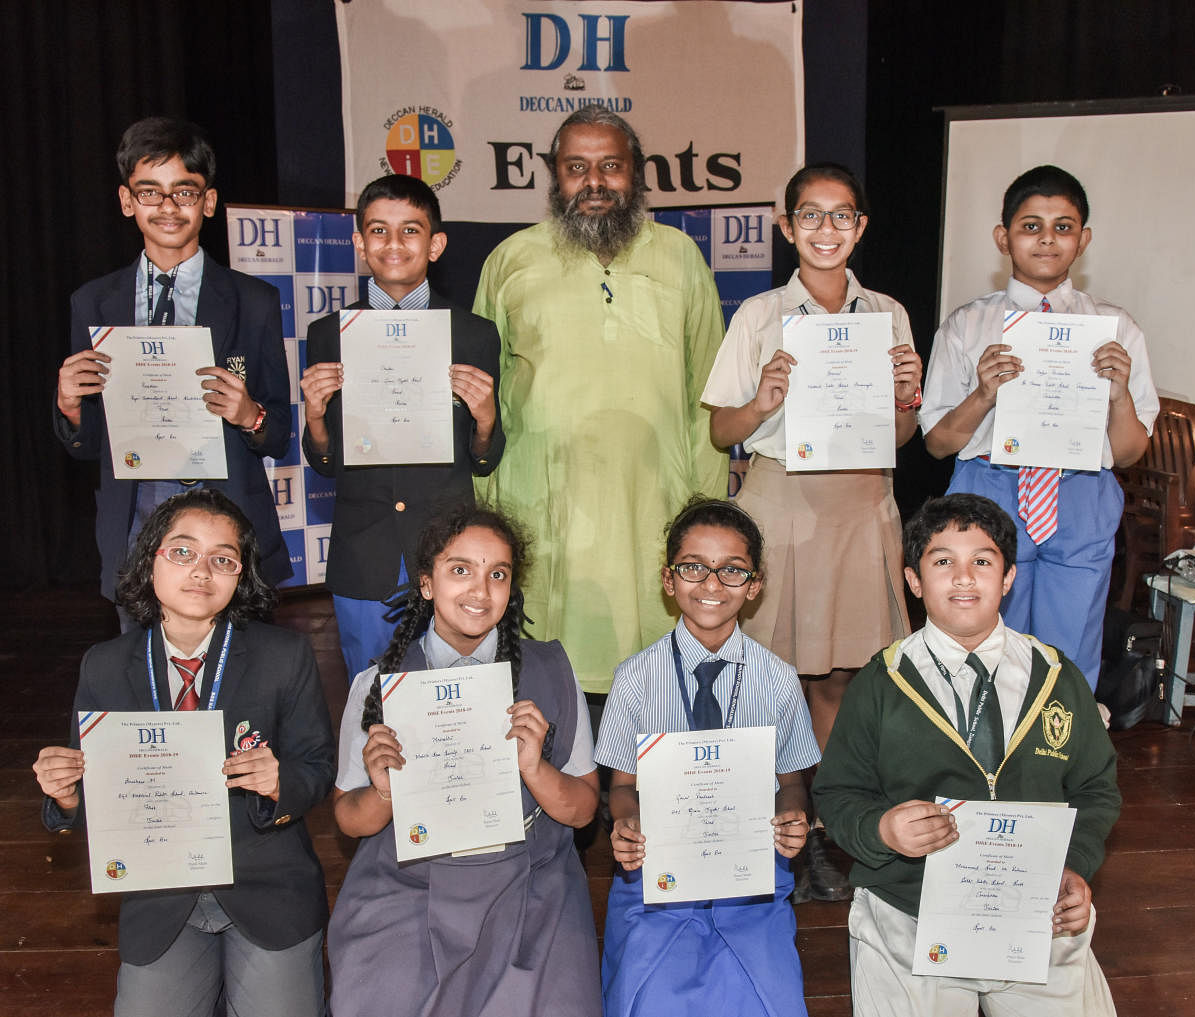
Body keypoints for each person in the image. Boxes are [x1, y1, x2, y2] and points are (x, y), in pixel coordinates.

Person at [701, 162, 921, 901]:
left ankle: (827, 829)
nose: (826, 229)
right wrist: (763, 397)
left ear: (860, 227)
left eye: (841, 215)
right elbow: (720, 429)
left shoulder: (887, 313)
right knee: (770, 680)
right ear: (785, 224)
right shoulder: (759, 315)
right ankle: (772, 831)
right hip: (782, 505)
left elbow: (902, 431)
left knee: (842, 681)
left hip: (861, 508)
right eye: (811, 215)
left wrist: (906, 397)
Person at [812, 493, 1120, 1016]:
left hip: (1037, 906)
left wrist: (1073, 865)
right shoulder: (882, 682)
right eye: (942, 562)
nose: (963, 578)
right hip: (911, 904)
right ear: (913, 581)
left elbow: (1095, 789)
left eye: (982, 561)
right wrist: (882, 831)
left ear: (1008, 578)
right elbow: (839, 792)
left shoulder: (1056, 676)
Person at [32, 488, 335, 1016]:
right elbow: (94, 795)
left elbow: (317, 767)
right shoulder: (105, 665)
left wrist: (277, 781)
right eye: (183, 551)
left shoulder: (282, 656)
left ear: (240, 577)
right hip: (161, 896)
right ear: (150, 559)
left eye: (223, 559)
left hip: (267, 885)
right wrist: (66, 799)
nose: (201, 571)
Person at [473, 107, 727, 694]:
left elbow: (709, 397)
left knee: (656, 683)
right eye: (576, 167)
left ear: (637, 174)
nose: (594, 182)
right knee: (543, 683)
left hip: (654, 501)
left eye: (610, 166)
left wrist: (704, 512)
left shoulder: (681, 256)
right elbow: (481, 397)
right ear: (554, 177)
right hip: (541, 504)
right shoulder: (511, 260)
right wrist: (489, 502)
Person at [326, 505, 602, 1017]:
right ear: (427, 583)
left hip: (528, 879)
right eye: (461, 570)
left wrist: (534, 769)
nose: (480, 591)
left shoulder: (552, 670)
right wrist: (384, 791)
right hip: (410, 880)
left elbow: (583, 810)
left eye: (497, 574)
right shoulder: (379, 685)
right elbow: (348, 818)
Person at [921, 165, 1158, 689]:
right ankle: (977, 761)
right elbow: (937, 443)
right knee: (978, 647)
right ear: (1003, 237)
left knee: (1068, 655)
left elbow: (1128, 453)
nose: (1047, 238)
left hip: (1080, 494)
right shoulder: (967, 325)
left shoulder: (1117, 328)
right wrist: (983, 394)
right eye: (1031, 226)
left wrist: (1117, 396)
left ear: (1084, 240)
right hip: (989, 487)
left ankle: (1059, 762)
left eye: (1063, 226)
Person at [54, 116, 293, 615]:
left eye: (184, 192)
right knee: (144, 685)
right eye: (150, 192)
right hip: (137, 526)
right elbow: (89, 446)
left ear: (208, 201)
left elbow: (279, 434)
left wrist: (250, 415)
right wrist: (70, 407)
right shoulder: (93, 303)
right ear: (126, 201)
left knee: (236, 683)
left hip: (226, 525)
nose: (167, 207)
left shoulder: (254, 302)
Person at [596, 497, 821, 1017]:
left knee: (771, 1001)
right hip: (658, 869)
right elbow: (622, 786)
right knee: (645, 998)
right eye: (694, 567)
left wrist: (793, 815)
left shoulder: (779, 679)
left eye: (732, 570)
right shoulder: (635, 677)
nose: (713, 584)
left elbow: (790, 780)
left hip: (750, 874)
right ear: (669, 580)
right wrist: (627, 825)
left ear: (755, 584)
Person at [301, 173, 504, 681]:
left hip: (445, 549)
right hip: (363, 550)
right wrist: (314, 417)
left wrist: (485, 419)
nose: (394, 244)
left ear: (435, 244)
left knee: (450, 696)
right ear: (359, 243)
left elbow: (486, 456)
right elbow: (324, 462)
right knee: (368, 699)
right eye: (378, 230)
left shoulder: (475, 335)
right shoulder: (328, 334)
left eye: (410, 231)